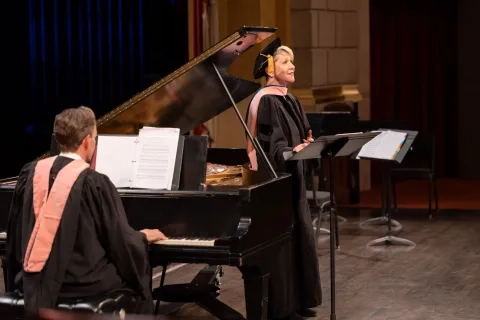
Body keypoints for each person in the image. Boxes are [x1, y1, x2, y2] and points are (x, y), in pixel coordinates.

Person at [5, 106, 167, 315]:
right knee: (134, 279)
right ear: (87, 140)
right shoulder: (94, 182)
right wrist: (141, 238)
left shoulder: (31, 173)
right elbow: (120, 242)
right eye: (96, 138)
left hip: (35, 280)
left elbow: (15, 236)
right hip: (82, 283)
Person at [245, 38, 322, 319]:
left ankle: (300, 300)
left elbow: (303, 134)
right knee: (284, 240)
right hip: (275, 181)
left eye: (292, 61)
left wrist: (309, 144)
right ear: (269, 69)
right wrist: (293, 151)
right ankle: (282, 307)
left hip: (294, 178)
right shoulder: (266, 100)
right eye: (285, 62)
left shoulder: (289, 98)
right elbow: (272, 146)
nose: (292, 66)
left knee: (299, 233)